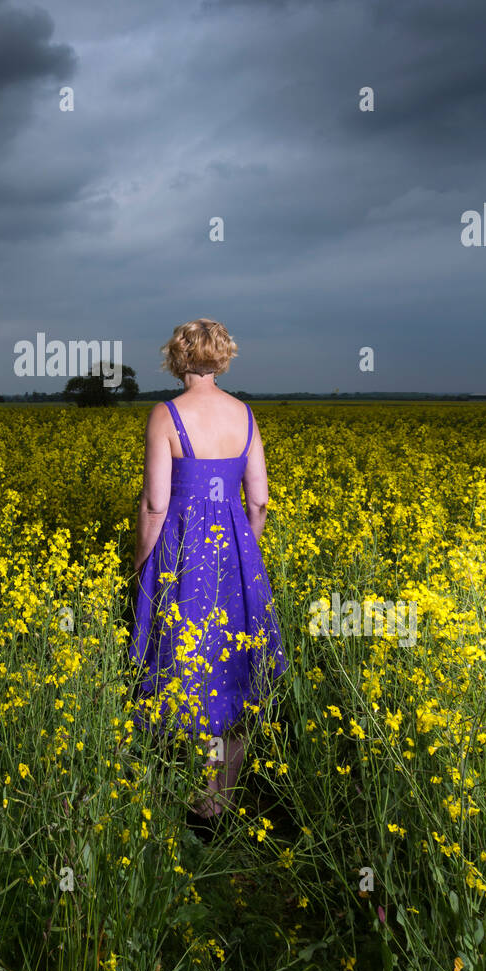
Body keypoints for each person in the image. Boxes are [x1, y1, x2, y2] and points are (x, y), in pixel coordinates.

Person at [129, 318, 288, 819]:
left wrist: (141, 566)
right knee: (232, 668)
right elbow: (259, 501)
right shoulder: (245, 415)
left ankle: (174, 791)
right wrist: (243, 551)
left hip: (180, 553)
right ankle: (216, 802)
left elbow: (156, 505)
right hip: (237, 553)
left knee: (180, 658)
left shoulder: (165, 415)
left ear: (177, 358)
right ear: (222, 357)